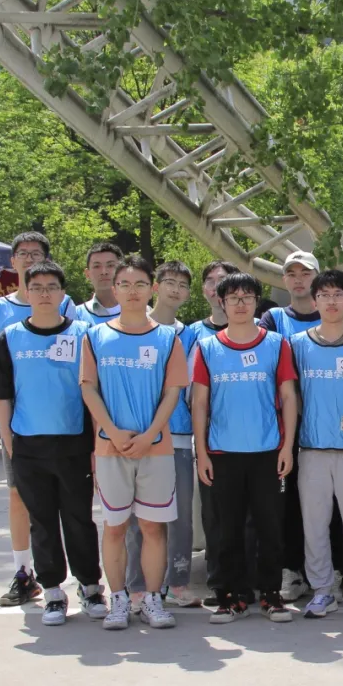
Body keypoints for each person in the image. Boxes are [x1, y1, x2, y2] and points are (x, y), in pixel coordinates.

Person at [0, 261, 106, 626]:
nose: (44, 293)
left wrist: (96, 446)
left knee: (79, 520)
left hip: (74, 444)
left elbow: (95, 391)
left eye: (52, 287)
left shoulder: (84, 334)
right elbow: (2, 396)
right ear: (27, 291)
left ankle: (90, 587)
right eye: (36, 287)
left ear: (63, 293)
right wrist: (9, 443)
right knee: (42, 522)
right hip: (29, 446)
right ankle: (52, 591)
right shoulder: (11, 337)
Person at [80, 255, 187, 631]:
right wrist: (111, 430)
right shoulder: (95, 336)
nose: (132, 291)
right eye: (124, 284)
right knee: (115, 527)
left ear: (151, 289)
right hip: (111, 449)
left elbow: (173, 392)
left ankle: (153, 598)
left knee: (154, 527)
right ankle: (119, 599)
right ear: (115, 288)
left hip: (155, 449)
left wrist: (150, 434)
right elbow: (89, 388)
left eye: (140, 284)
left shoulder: (167, 338)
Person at [192, 272, 299, 624]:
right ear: (221, 302)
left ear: (256, 302)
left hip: (268, 452)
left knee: (270, 527)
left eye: (247, 297)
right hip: (223, 453)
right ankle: (231, 596)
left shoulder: (276, 344)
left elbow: (288, 396)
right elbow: (200, 403)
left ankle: (270, 595)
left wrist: (287, 447)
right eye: (233, 297)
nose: (240, 303)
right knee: (227, 529)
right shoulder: (207, 347)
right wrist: (202, 453)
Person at [0, 232, 77, 606]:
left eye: (36, 253)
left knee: (72, 506)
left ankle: (80, 579)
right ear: (13, 263)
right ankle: (24, 573)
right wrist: (6, 434)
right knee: (19, 497)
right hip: (22, 427)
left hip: (65, 427)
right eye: (22, 254)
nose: (28, 258)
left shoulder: (66, 304)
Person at [293, 270, 343, 619]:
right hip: (311, 449)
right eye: (324, 295)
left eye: (339, 294)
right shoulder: (297, 344)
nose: (331, 301)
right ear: (314, 301)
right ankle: (322, 590)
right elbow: (291, 397)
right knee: (314, 526)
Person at [124, 261, 201, 610]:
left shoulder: (191, 335)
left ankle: (178, 582)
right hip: (139, 438)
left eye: (183, 285)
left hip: (179, 437)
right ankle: (137, 585)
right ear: (155, 286)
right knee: (137, 517)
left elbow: (193, 390)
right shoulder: (132, 329)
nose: (175, 289)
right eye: (169, 282)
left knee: (180, 514)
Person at [258, 251, 322, 604]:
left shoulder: (331, 314)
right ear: (284, 279)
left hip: (325, 426)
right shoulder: (273, 319)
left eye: (306, 273)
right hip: (284, 427)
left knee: (324, 503)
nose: (299, 279)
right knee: (287, 502)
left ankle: (328, 572)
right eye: (292, 273)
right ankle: (290, 570)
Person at [187, 260, 245, 607]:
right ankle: (219, 581)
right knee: (215, 515)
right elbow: (189, 391)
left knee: (249, 516)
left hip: (253, 440)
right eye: (210, 281)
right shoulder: (194, 334)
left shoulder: (260, 334)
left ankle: (249, 581)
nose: (217, 286)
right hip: (211, 438)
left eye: (224, 280)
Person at [72, 242, 124, 325]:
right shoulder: (75, 316)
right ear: (87, 273)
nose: (104, 272)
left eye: (110, 265)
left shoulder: (142, 312)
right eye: (97, 266)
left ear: (123, 270)